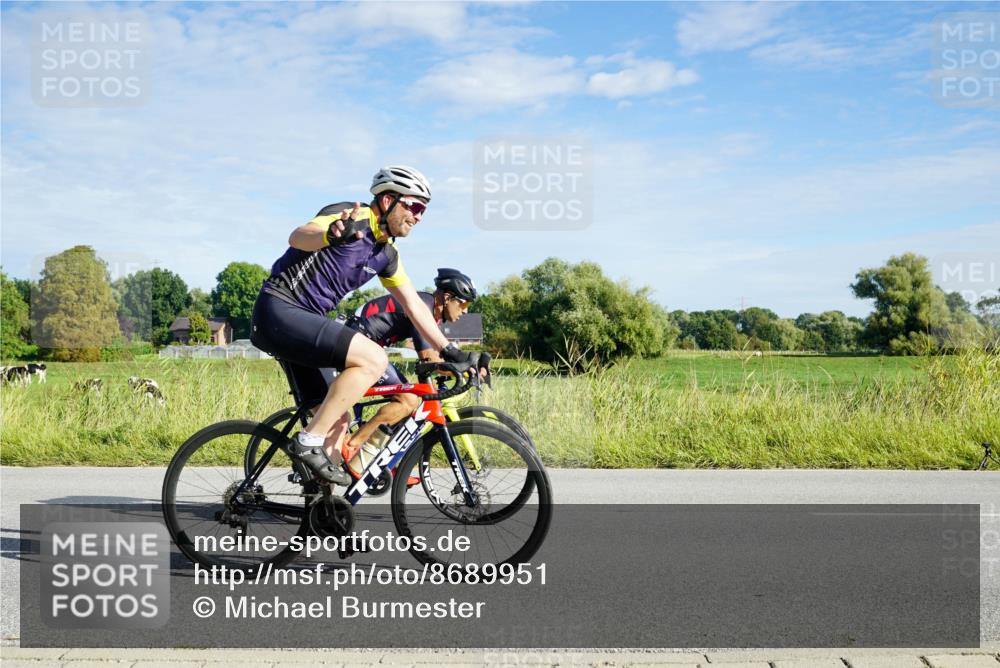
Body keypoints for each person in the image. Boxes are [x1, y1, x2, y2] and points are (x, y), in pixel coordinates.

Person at [250, 166, 480, 485]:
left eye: (423, 210)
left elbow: (413, 305)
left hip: (304, 325)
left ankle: (323, 507)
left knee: (338, 421)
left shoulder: (386, 254)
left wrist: (450, 350)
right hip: (280, 309)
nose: (418, 217)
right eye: (414, 206)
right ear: (387, 200)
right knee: (374, 359)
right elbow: (299, 236)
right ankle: (306, 441)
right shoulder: (351, 217)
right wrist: (329, 236)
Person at [342, 268, 478, 451]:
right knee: (408, 400)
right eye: (464, 304)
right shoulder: (424, 308)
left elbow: (437, 356)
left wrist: (463, 365)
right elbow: (429, 359)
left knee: (409, 402)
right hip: (358, 344)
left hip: (366, 346)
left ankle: (374, 455)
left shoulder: (428, 308)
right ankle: (352, 445)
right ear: (447, 298)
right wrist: (465, 369)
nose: (466, 311)